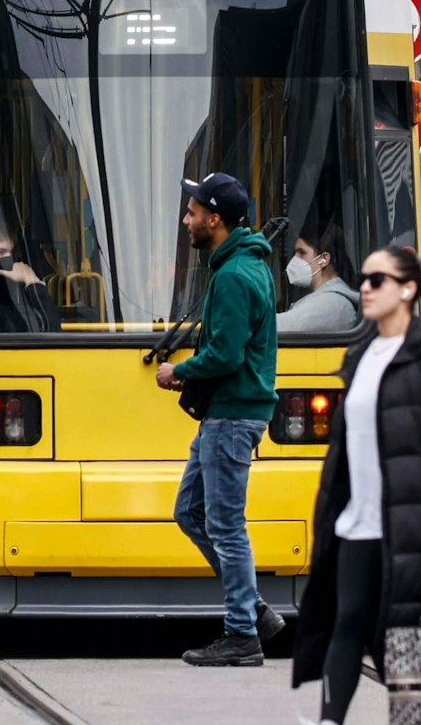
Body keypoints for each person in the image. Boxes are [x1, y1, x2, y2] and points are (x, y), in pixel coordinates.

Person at [156, 172, 285, 666]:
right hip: (226, 414)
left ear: (214, 219)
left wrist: (179, 371)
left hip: (232, 415)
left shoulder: (232, 275)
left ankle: (241, 635)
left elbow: (226, 354)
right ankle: (253, 611)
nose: (186, 221)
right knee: (189, 512)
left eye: (192, 213)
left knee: (226, 524)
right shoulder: (243, 266)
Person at [293, 245, 421, 725]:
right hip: (357, 523)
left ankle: (408, 720)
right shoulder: (361, 355)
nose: (364, 288)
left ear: (407, 290)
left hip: (405, 527)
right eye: (364, 278)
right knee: (345, 623)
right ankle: (330, 720)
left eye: (377, 280)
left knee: (401, 635)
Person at [279, 225, 361, 334]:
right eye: (295, 253)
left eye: (302, 253)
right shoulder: (325, 298)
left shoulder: (331, 304)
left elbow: (278, 328)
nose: (295, 259)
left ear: (323, 260)